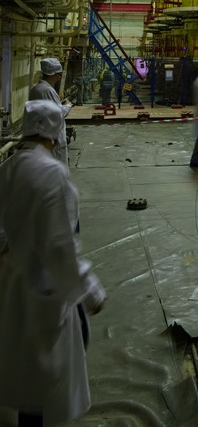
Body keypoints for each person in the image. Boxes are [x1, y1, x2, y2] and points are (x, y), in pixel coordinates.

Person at [0, 100, 106, 427]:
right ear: (53, 131)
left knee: (25, 365)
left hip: (12, 283)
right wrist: (91, 291)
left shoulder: (8, 166)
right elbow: (60, 246)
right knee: (51, 369)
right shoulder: (51, 173)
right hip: (45, 287)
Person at [29, 58, 73, 168]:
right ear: (52, 74)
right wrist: (67, 106)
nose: (59, 77)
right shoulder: (46, 90)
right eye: (58, 74)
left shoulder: (37, 89)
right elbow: (57, 114)